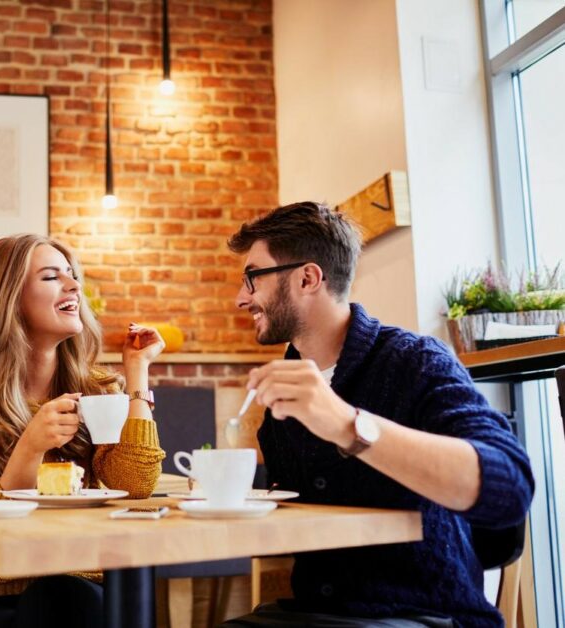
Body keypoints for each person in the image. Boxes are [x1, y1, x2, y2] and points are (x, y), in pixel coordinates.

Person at [223, 202, 534, 627]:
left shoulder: (415, 361)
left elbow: (510, 488)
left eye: (252, 278)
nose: (241, 298)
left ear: (307, 278)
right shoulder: (285, 392)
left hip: (425, 614)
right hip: (320, 614)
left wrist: (350, 425)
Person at [0, 234, 165, 628]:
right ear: (10, 298)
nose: (74, 286)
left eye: (72, 276)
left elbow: (136, 484)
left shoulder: (99, 389)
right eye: (51, 277)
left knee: (76, 595)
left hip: (82, 584)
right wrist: (31, 447)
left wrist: (137, 371)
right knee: (67, 599)